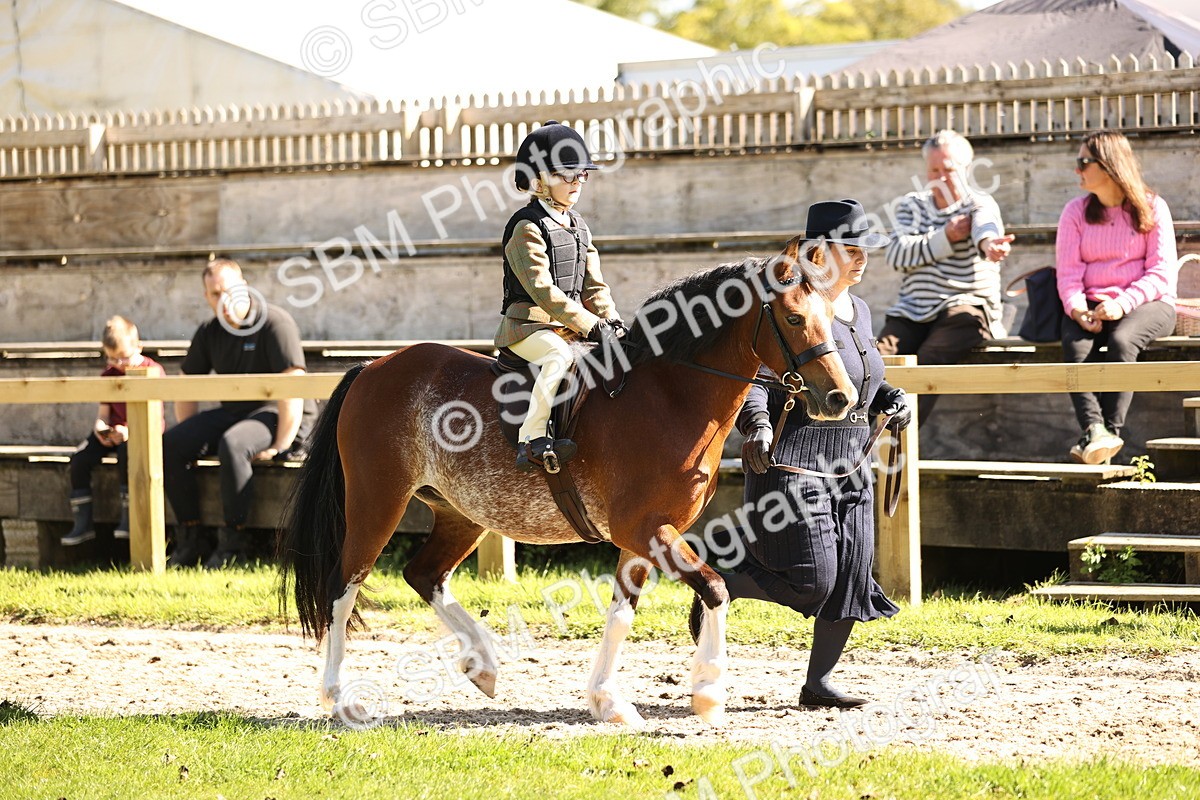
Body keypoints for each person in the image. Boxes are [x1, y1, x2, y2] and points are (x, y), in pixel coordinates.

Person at [689, 199, 911, 709]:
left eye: (865, 251)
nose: (862, 260)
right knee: (813, 581)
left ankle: (819, 683)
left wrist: (888, 398)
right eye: (851, 249)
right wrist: (760, 427)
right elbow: (757, 382)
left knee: (852, 579)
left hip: (851, 464)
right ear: (817, 253)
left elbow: (856, 379)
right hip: (791, 463)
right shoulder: (789, 308)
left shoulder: (860, 310)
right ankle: (719, 580)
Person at [163, 258, 316, 568]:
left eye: (228, 290)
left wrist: (280, 445)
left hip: (281, 415)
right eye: (215, 294)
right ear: (206, 297)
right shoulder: (209, 331)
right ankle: (191, 539)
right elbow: (186, 384)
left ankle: (234, 544)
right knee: (171, 444)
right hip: (235, 412)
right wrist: (190, 436)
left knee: (233, 444)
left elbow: (292, 388)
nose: (223, 299)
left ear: (244, 287)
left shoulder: (275, 322)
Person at [496, 121, 624, 471]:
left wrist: (611, 322)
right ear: (538, 180)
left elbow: (594, 286)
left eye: (581, 175)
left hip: (567, 326)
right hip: (527, 328)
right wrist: (591, 326)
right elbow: (543, 291)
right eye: (566, 176)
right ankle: (532, 437)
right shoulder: (526, 227)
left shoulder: (579, 226)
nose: (576, 184)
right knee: (559, 357)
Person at [1057, 130, 1179, 465]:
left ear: (1109, 166)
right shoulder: (1074, 212)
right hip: (1091, 305)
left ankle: (1110, 433)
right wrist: (1078, 308)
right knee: (1075, 343)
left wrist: (1122, 304)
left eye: (1084, 162)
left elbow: (1161, 273)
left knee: (1123, 341)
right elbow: (1068, 275)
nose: (1077, 169)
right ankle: (1093, 429)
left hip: (1148, 304)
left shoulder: (1153, 207)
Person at [877, 129, 1014, 423]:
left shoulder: (980, 203)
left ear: (967, 170)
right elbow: (897, 255)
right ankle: (863, 440)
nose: (941, 177)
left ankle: (895, 437)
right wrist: (946, 237)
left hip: (964, 308)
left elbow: (985, 229)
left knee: (930, 358)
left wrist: (990, 245)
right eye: (934, 170)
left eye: (949, 169)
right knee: (877, 359)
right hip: (913, 311)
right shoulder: (911, 205)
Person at [62, 316, 165, 546]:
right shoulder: (109, 374)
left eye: (124, 357)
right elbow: (103, 415)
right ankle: (83, 521)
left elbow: (156, 416)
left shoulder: (152, 370)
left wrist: (128, 431)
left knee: (126, 453)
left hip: (142, 430)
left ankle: (130, 517)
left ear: (138, 347)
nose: (119, 363)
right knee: (80, 458)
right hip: (115, 430)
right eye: (112, 358)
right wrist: (101, 429)